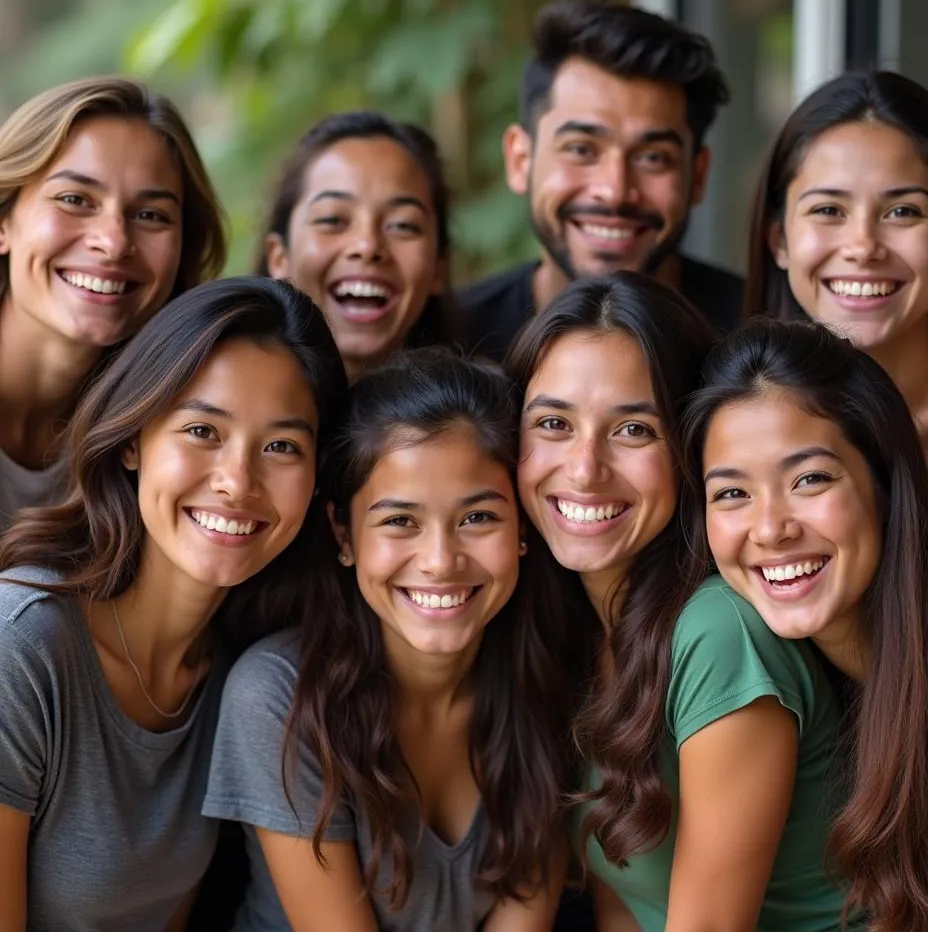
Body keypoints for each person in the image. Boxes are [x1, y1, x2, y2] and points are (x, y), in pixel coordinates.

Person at [0, 276, 348, 931]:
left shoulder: (243, 672)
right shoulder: (21, 648)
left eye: (281, 446)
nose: (237, 481)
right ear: (133, 437)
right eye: (202, 430)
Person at [506, 274, 851, 932]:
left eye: (634, 429)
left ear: (691, 450)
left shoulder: (719, 631)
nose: (584, 468)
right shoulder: (572, 621)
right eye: (553, 423)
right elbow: (624, 902)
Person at [203, 349, 574, 931]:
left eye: (478, 518)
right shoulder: (277, 697)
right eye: (399, 521)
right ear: (343, 535)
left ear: (523, 527)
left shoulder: (547, 680)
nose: (440, 561)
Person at [684, 316, 928, 932]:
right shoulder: (803, 674)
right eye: (732, 493)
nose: (770, 528)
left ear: (885, 482)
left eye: (810, 479)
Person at [745, 70, 928, 578]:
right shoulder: (750, 401)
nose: (863, 247)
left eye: (901, 211)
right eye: (828, 209)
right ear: (779, 240)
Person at [458, 0, 743, 362]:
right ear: (520, 160)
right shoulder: (454, 340)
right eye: (581, 150)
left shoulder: (754, 340)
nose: (615, 191)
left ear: (698, 175)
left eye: (653, 157)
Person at [0, 76, 226, 531]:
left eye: (150, 215)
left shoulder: (172, 430)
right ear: (5, 222)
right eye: (75, 199)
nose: (114, 241)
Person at [258, 110, 458, 380]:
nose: (367, 245)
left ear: (438, 268)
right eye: (332, 219)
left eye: (402, 225)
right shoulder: (212, 398)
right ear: (279, 257)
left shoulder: (485, 416)